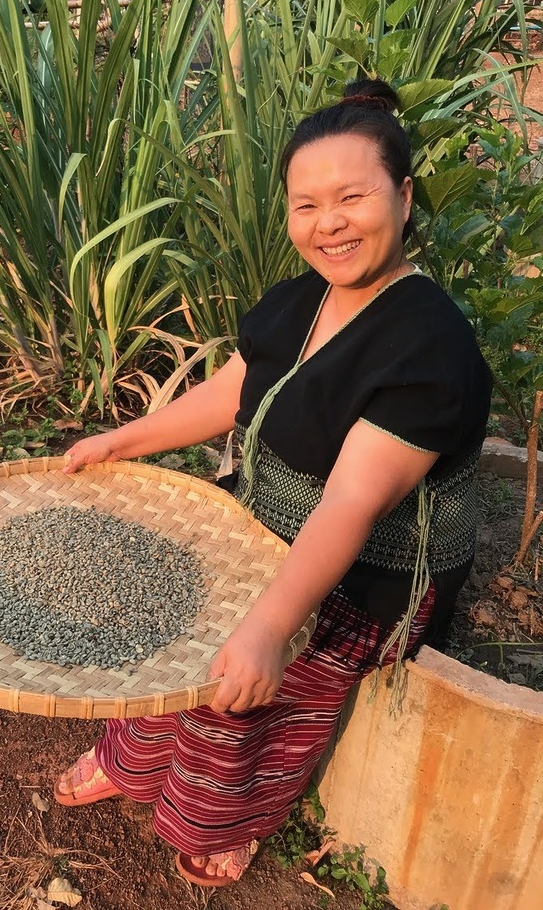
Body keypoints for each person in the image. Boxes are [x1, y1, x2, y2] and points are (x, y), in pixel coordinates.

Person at [53, 79, 493, 887]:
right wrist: (122, 439)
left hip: (365, 571)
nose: (329, 224)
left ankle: (222, 817)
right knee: (162, 622)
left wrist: (267, 624)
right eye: (306, 206)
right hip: (263, 520)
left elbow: (352, 503)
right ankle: (133, 759)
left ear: (403, 197)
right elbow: (232, 391)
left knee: (247, 683)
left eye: (353, 198)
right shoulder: (300, 299)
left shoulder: (428, 347)